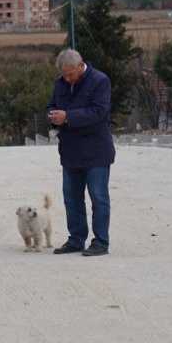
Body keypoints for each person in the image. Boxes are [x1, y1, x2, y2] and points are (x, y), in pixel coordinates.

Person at [47, 48, 115, 257]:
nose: (67, 78)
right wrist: (52, 116)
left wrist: (67, 117)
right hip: (70, 151)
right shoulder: (61, 83)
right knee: (71, 198)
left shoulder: (100, 81)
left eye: (70, 74)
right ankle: (76, 239)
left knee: (98, 197)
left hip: (96, 151)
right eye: (64, 74)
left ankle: (100, 242)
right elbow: (51, 106)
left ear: (80, 65)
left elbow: (98, 112)